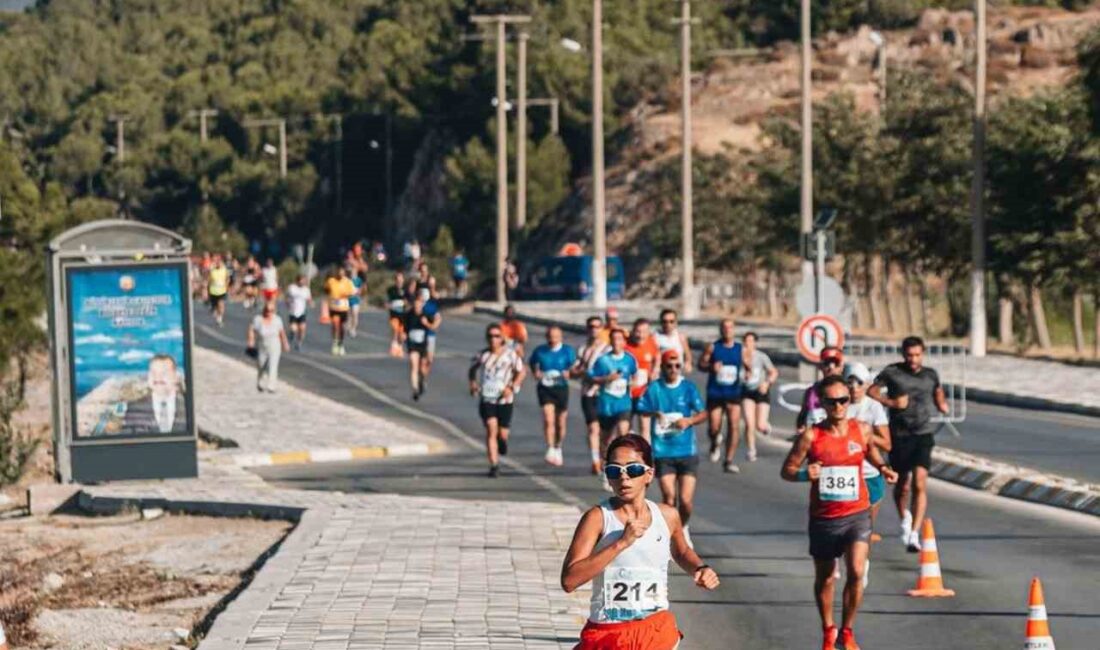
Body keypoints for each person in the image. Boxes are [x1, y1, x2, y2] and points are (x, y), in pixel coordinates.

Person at [561, 435, 719, 649]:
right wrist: (620, 543)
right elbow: (570, 580)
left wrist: (700, 568)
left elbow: (681, 551)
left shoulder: (667, 515)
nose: (624, 479)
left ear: (648, 474)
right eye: (614, 471)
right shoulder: (597, 518)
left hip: (654, 629)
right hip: (608, 632)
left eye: (633, 470)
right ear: (608, 477)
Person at [781, 376, 898, 650]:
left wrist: (882, 468)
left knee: (857, 572)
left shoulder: (862, 430)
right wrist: (803, 474)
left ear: (849, 400)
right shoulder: (811, 435)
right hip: (824, 518)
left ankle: (847, 630)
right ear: (822, 403)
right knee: (825, 577)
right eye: (832, 401)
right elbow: (786, 470)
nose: (838, 406)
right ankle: (828, 630)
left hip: (857, 513)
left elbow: (871, 454)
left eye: (843, 400)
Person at [868, 336, 948, 553]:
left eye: (917, 355)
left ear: (922, 354)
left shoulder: (930, 374)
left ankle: (914, 533)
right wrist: (891, 402)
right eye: (909, 355)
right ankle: (904, 517)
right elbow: (871, 392)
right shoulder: (892, 372)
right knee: (903, 484)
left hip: (923, 433)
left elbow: (937, 389)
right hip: (899, 434)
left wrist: (942, 404)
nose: (913, 359)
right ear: (903, 354)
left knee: (920, 482)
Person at [636, 350, 706, 547]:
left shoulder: (688, 388)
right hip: (663, 451)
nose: (674, 369)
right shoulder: (654, 388)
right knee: (669, 497)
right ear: (663, 367)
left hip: (687, 452)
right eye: (669, 366)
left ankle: (681, 529)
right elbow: (640, 407)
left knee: (685, 501)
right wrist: (654, 412)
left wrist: (690, 420)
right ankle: (670, 536)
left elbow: (703, 413)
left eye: (677, 366)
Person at [844, 362, 892, 585]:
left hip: (870, 474)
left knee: (865, 527)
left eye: (859, 383)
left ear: (866, 385)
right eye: (850, 382)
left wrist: (864, 434)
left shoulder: (874, 408)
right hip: (845, 474)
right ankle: (846, 562)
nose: (854, 387)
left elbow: (887, 443)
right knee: (843, 526)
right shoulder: (838, 406)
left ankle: (863, 564)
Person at [469, 323, 526, 477]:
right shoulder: (483, 355)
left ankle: (503, 442)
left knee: (502, 433)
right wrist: (473, 385)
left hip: (505, 400)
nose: (493, 339)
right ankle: (494, 465)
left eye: (497, 336)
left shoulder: (511, 355)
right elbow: (472, 370)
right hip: (487, 398)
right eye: (490, 336)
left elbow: (521, 372)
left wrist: (512, 387)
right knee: (490, 428)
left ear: (502, 338)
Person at [699, 318, 745, 472]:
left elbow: (748, 365)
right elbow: (701, 364)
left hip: (733, 392)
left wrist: (749, 373)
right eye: (724, 327)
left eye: (730, 327)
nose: (727, 330)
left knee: (734, 426)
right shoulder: (713, 347)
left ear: (734, 329)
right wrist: (711, 366)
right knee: (714, 427)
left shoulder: (740, 348)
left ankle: (729, 460)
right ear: (720, 330)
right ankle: (714, 442)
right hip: (716, 392)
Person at [529, 326, 577, 467]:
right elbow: (532, 363)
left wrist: (570, 373)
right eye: (550, 336)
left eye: (555, 336)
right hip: (545, 387)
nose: (553, 339)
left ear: (560, 337)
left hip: (561, 388)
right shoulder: (540, 351)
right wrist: (536, 373)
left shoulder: (567, 351)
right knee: (548, 418)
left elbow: (574, 367)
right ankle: (550, 448)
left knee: (560, 421)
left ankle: (558, 446)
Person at [590, 329, 638, 468]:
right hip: (606, 404)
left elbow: (634, 374)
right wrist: (607, 378)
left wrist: (632, 383)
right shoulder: (603, 360)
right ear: (610, 341)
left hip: (623, 404)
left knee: (623, 433)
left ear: (624, 342)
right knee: (605, 439)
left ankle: (622, 465)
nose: (617, 342)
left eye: (620, 339)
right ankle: (607, 464)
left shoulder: (629, 359)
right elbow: (592, 378)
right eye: (614, 339)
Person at [575, 316, 610, 477]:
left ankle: (605, 457)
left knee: (606, 432)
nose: (594, 329)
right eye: (591, 326)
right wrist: (581, 372)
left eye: (597, 326)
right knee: (593, 427)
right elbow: (575, 370)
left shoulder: (608, 350)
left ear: (601, 328)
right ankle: (595, 460)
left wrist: (602, 379)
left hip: (606, 394)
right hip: (588, 393)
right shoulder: (582, 350)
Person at [120, 354, 188, 435]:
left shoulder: (188, 406)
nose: (158, 377)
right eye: (153, 372)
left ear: (176, 377)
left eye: (164, 373)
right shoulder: (134, 407)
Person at [740, 331, 779, 443]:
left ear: (755, 343)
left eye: (751, 341)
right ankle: (751, 450)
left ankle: (765, 427)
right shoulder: (738, 356)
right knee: (749, 423)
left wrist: (767, 383)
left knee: (760, 425)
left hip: (760, 391)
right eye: (746, 341)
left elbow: (773, 372)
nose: (748, 343)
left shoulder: (761, 357)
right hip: (746, 391)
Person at [797, 346, 846, 434]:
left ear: (842, 366)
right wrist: (801, 429)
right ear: (820, 366)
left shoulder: (849, 390)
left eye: (836, 363)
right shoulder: (811, 391)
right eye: (827, 363)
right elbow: (802, 417)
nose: (831, 367)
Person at [624, 318, 659, 439]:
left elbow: (657, 357)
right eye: (638, 332)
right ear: (633, 331)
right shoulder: (625, 345)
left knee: (645, 427)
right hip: (627, 393)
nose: (640, 335)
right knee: (626, 429)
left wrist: (655, 370)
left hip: (644, 392)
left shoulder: (651, 343)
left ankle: (646, 455)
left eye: (644, 332)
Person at [248, 301, 290, 393]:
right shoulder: (258, 319)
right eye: (267, 310)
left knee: (273, 365)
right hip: (262, 344)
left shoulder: (277, 320)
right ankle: (260, 381)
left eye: (271, 311)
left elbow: (281, 332)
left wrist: (285, 343)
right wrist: (251, 341)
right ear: (264, 310)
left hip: (274, 344)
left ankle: (272, 386)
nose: (269, 312)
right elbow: (252, 330)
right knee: (261, 364)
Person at [403, 291, 437, 400]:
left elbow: (433, 327)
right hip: (412, 344)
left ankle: (422, 381)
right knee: (414, 365)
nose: (417, 307)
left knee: (422, 368)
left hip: (423, 344)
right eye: (416, 304)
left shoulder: (426, 315)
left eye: (420, 304)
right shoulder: (408, 315)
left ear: (422, 305)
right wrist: (403, 335)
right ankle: (415, 389)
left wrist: (426, 323)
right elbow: (404, 328)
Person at [323, 266, 356, 355]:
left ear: (344, 273)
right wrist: (330, 296)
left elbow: (352, 292)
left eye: (342, 272)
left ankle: (340, 344)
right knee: (334, 323)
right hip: (333, 307)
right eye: (339, 272)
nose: (340, 274)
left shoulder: (348, 282)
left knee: (342, 327)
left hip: (343, 307)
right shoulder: (331, 281)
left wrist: (344, 295)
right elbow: (326, 289)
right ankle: (334, 342)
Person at [420, 287, 443, 392]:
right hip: (420, 336)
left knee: (430, 359)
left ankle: (423, 376)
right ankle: (422, 379)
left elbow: (438, 317)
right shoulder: (417, 307)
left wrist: (432, 325)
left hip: (430, 335)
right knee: (422, 359)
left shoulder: (431, 306)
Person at [284, 275, 313, 350]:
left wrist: (311, 303)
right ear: (297, 281)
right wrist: (287, 303)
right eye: (301, 280)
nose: (302, 282)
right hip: (293, 312)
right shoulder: (292, 288)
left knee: (302, 329)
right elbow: (287, 296)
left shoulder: (306, 290)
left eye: (304, 281)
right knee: (294, 329)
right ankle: (291, 335)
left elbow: (309, 299)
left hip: (302, 312)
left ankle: (299, 343)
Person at [386, 271, 407, 357]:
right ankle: (393, 348)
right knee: (395, 330)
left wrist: (406, 303)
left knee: (401, 334)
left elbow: (409, 301)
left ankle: (400, 348)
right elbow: (387, 302)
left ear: (403, 279)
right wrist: (389, 305)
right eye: (397, 279)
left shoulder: (406, 290)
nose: (399, 281)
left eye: (400, 279)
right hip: (394, 314)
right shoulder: (391, 290)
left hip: (403, 315)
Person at [207, 255, 229, 327]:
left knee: (221, 305)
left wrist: (226, 286)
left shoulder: (224, 270)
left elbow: (227, 278)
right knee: (215, 307)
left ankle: (220, 318)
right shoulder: (212, 270)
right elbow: (209, 281)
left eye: (220, 262)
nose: (218, 263)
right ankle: (214, 310)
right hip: (213, 291)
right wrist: (208, 290)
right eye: (217, 262)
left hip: (222, 291)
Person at [347, 268, 366, 338]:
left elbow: (362, 289)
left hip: (355, 299)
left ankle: (353, 329)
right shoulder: (347, 280)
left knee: (355, 314)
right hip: (348, 299)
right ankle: (348, 325)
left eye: (354, 271)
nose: (352, 273)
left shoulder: (359, 280)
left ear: (356, 272)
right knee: (349, 314)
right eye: (351, 271)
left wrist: (359, 292)